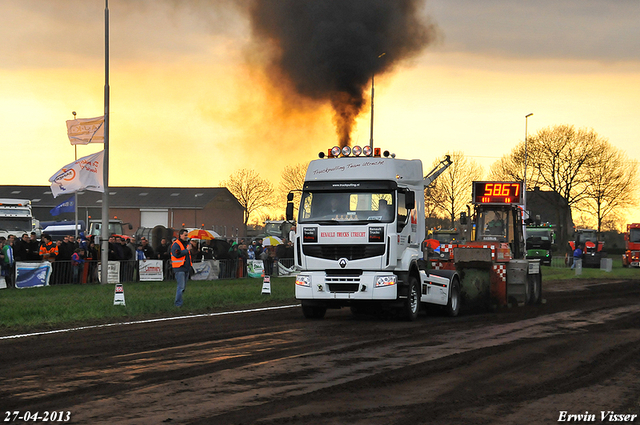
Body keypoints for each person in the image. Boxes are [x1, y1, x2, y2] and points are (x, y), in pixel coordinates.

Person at [171, 229, 193, 307]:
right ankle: (178, 304)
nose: (186, 237)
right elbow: (177, 254)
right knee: (181, 287)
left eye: (187, 235)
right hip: (179, 268)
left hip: (185, 268)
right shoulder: (176, 244)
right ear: (180, 235)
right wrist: (187, 250)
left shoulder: (187, 244)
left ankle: (179, 302)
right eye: (185, 235)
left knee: (182, 287)